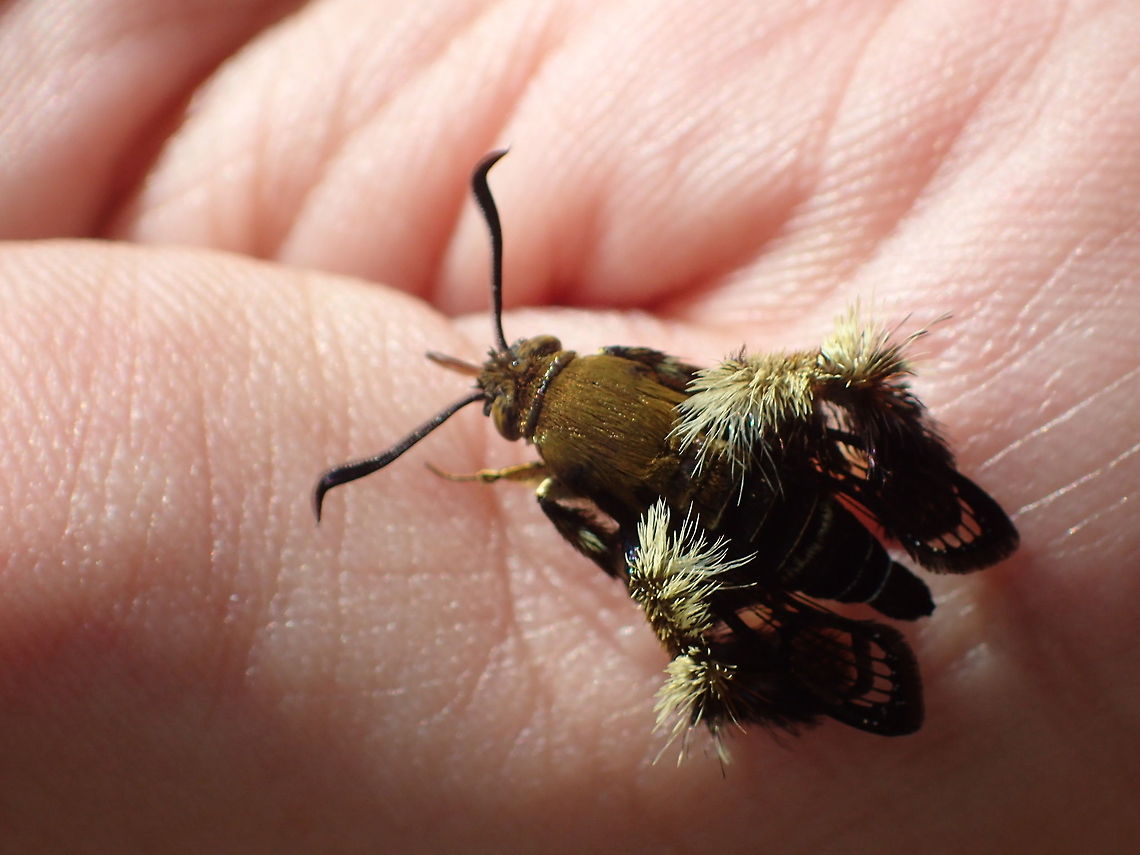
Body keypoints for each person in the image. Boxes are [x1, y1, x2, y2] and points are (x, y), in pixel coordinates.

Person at [0, 1, 1135, 851]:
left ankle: (848, 624)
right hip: (815, 497)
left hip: (777, 565)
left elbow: (608, 536)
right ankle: (915, 528)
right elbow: (689, 378)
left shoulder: (553, 485)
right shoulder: (616, 366)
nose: (514, 369)